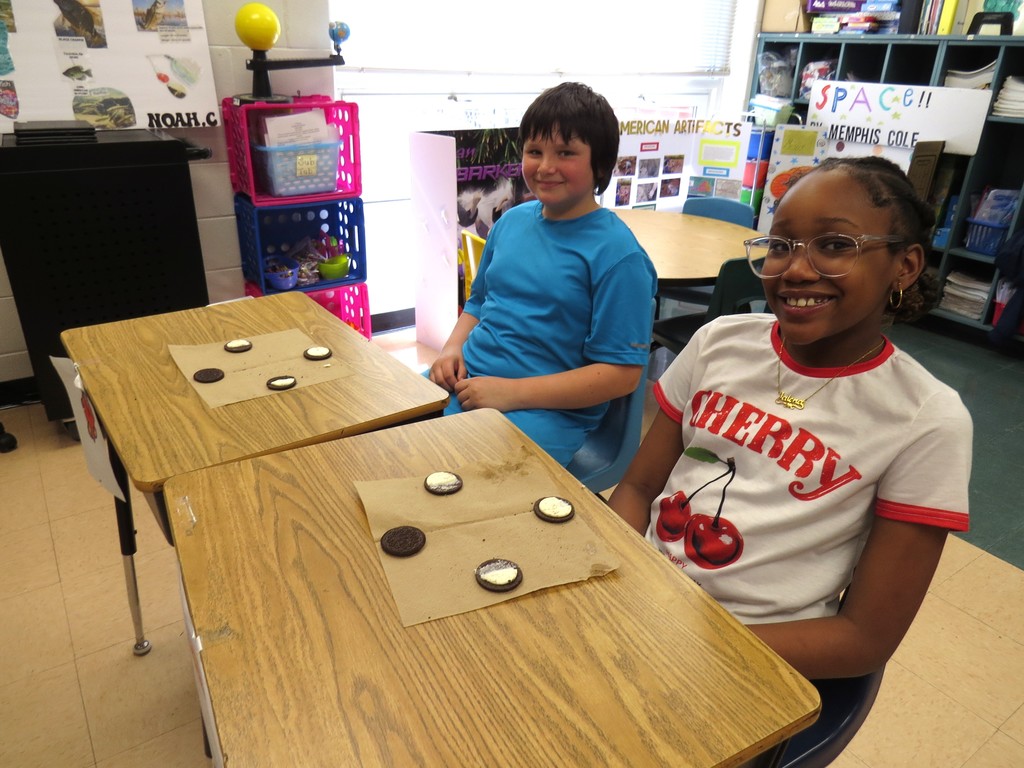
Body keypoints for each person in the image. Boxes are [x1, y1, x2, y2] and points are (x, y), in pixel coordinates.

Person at [609, 156, 972, 680]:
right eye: (780, 246)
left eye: (835, 245)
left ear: (905, 266)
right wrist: (624, 584)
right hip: (639, 600)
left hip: (748, 659)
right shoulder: (720, 342)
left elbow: (862, 640)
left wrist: (680, 637)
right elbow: (640, 487)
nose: (796, 269)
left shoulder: (926, 420)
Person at [428, 82, 658, 465]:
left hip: (543, 413)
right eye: (535, 151)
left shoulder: (620, 257)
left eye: (565, 152)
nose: (545, 166)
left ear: (600, 164)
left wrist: (510, 393)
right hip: (466, 383)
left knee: (447, 481)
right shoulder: (510, 222)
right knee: (384, 438)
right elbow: (479, 302)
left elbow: (621, 376)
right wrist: (451, 349)